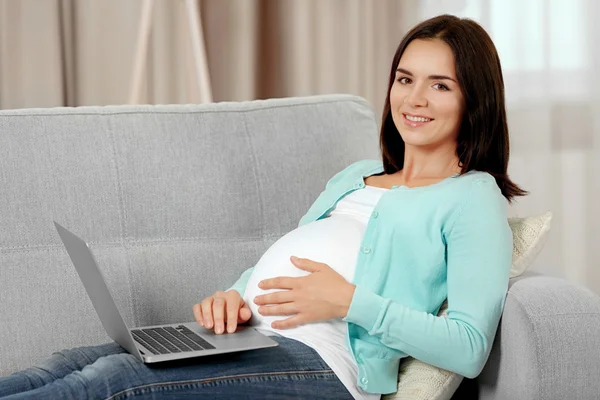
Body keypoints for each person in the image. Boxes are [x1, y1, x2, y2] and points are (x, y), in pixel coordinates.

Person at [0, 14, 526, 400]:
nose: (414, 99)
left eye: (440, 85)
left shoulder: (472, 197)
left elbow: (468, 345)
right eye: (405, 79)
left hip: (324, 364)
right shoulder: (355, 175)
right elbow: (284, 255)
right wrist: (234, 295)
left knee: (111, 385)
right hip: (244, 335)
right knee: (68, 365)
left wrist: (349, 302)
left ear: (473, 100)